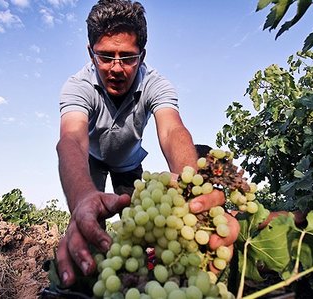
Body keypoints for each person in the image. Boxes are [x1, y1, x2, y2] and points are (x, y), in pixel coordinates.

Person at [55, 0, 239, 287]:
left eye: (127, 58)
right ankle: (91, 280)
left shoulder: (156, 83)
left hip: (128, 164)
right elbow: (71, 140)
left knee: (144, 226)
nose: (117, 68)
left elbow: (172, 130)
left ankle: (149, 274)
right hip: (90, 159)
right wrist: (80, 198)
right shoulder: (77, 86)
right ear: (91, 54)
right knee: (87, 220)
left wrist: (191, 187)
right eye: (106, 56)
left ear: (142, 55)